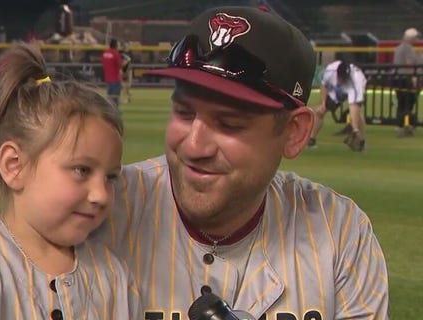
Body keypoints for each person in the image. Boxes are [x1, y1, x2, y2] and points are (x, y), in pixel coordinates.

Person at [90, 6, 389, 320]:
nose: (194, 146)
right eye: (184, 113)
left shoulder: (339, 233)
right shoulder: (97, 212)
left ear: (294, 132)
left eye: (229, 123)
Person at [0, 44, 141, 319]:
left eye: (110, 177)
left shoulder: (112, 273)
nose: (101, 195)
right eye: (81, 170)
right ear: (14, 166)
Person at [309, 60, 367, 151]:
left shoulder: (357, 81)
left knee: (358, 115)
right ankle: (311, 139)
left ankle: (361, 140)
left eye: (345, 78)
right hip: (337, 89)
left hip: (352, 88)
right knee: (320, 111)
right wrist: (323, 103)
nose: (342, 79)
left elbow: (353, 106)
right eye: (341, 77)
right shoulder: (330, 71)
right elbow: (324, 86)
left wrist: (355, 129)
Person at [393, 27, 420, 137]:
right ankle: (406, 123)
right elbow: (409, 64)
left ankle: (399, 123)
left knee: (401, 102)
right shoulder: (408, 49)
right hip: (405, 78)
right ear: (411, 38)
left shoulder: (398, 48)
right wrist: (413, 78)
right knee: (409, 101)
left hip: (397, 78)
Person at [101, 38, 122, 107]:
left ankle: (109, 112)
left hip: (107, 78)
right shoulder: (115, 53)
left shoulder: (105, 53)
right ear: (115, 45)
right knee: (115, 98)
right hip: (115, 78)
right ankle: (114, 113)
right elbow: (120, 65)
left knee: (109, 97)